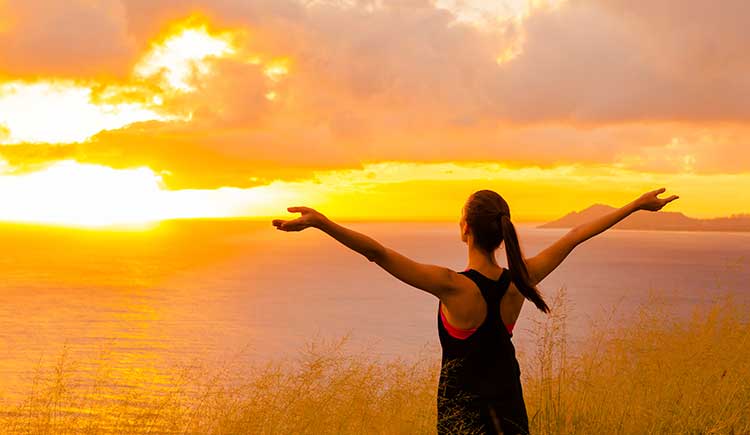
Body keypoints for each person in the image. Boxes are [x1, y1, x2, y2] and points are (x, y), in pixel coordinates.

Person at [272, 187, 679, 434]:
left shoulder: (452, 286)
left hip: (459, 417)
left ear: (465, 227)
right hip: (510, 409)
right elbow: (574, 236)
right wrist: (636, 206)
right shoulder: (522, 278)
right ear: (500, 231)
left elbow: (377, 252)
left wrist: (323, 222)